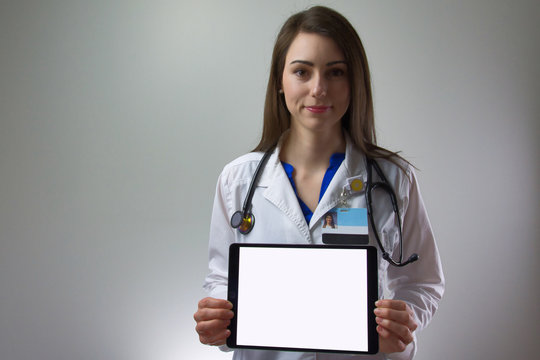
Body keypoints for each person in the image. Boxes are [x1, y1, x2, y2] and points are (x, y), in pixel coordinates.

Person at [194, 5, 444, 360]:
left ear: (354, 82)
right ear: (280, 82)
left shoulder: (393, 179)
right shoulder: (238, 180)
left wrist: (404, 321)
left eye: (336, 72)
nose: (319, 89)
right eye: (301, 71)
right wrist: (218, 318)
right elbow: (222, 278)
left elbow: (423, 282)